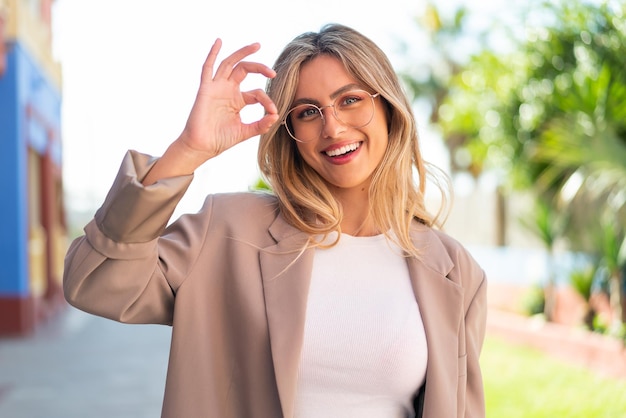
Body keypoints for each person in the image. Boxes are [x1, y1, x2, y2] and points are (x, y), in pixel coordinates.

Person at [63, 23, 487, 418]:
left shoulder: (455, 272)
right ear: (289, 132)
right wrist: (188, 150)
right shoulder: (229, 229)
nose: (333, 127)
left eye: (350, 100)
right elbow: (96, 282)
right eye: (307, 112)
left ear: (389, 107)